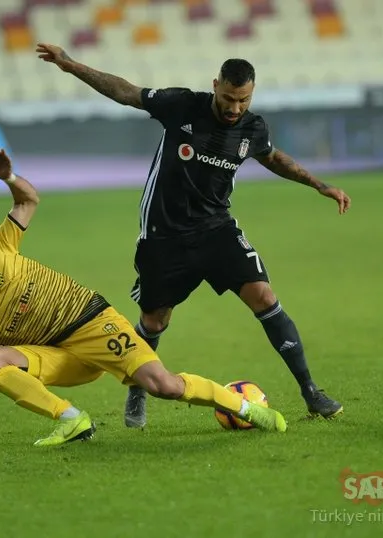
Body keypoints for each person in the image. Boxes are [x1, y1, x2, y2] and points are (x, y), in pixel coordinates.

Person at [35, 43, 351, 429]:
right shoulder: (183, 105)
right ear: (215, 85)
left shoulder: (253, 127)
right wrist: (69, 65)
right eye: (229, 98)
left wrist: (318, 185)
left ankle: (311, 392)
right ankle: (137, 388)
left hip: (216, 229)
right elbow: (126, 92)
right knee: (154, 321)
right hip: (164, 236)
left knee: (264, 296)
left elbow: (273, 157)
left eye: (244, 100)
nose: (235, 108)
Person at [0, 149, 287, 455]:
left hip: (92, 324)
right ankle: (71, 419)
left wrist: (8, 178)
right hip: (60, 356)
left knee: (163, 386)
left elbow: (28, 201)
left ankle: (247, 409)